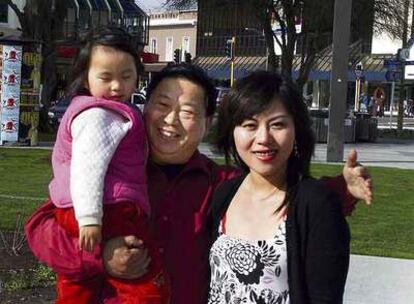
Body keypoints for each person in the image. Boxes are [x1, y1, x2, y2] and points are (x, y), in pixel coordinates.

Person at [25, 63, 372, 304]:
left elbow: (280, 195)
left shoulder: (221, 186)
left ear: (207, 123)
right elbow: (41, 228)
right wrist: (102, 257)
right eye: (162, 105)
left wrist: (341, 189)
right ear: (144, 111)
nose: (171, 120)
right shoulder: (111, 176)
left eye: (188, 112)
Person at [26, 27, 170, 303]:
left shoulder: (92, 111)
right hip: (108, 208)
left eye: (126, 77)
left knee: (76, 285)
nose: (117, 86)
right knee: (147, 281)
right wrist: (90, 218)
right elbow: (87, 169)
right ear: (86, 78)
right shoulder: (100, 115)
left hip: (76, 208)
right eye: (106, 78)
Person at [209, 71, 349, 303]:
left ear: (297, 129)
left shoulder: (316, 205)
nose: (264, 138)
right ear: (232, 131)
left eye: (277, 124)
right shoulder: (225, 194)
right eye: (250, 125)